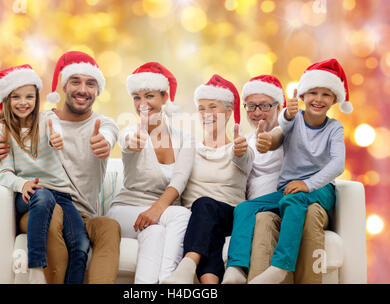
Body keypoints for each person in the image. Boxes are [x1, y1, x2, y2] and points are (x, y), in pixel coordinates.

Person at [0, 51, 121, 284]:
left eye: (91, 83)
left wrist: (104, 143)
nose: (83, 90)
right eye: (75, 81)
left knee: (109, 226)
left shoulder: (103, 125)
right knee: (52, 210)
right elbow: (0, 179)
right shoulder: (39, 122)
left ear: (98, 90)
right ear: (63, 86)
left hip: (81, 213)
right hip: (38, 207)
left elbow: (108, 135)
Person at [225, 58, 351, 284]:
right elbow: (277, 135)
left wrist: (308, 184)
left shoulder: (334, 128)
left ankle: (281, 267)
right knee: (245, 208)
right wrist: (266, 142)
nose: (318, 99)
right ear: (302, 96)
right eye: (313, 93)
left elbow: (337, 164)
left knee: (293, 200)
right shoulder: (292, 119)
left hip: (320, 190)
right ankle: (235, 268)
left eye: (325, 94)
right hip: (289, 191)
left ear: (334, 100)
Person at [0, 64, 90, 284]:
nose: (23, 102)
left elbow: (58, 131)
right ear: (7, 99)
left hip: (61, 195)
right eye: (16, 97)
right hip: (30, 194)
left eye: (29, 97)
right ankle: (36, 269)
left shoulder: (47, 121)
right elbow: (4, 173)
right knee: (42, 195)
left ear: (37, 98)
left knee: (80, 245)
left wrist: (58, 139)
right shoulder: (1, 129)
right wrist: (22, 184)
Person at [106, 62, 195, 284]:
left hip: (158, 217)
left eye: (149, 96)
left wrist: (155, 211)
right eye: (136, 97)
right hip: (125, 212)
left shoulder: (185, 139)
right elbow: (127, 142)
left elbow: (179, 180)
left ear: (165, 98)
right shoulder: (131, 133)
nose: (142, 104)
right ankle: (169, 280)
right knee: (182, 215)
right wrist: (131, 141)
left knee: (155, 234)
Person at [162, 74, 254, 284]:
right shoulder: (189, 148)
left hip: (230, 216)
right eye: (202, 108)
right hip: (196, 220)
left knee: (203, 205)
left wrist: (240, 151)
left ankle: (187, 265)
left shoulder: (240, 148)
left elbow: (244, 160)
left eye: (213, 107)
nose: (206, 114)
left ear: (229, 112)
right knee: (205, 223)